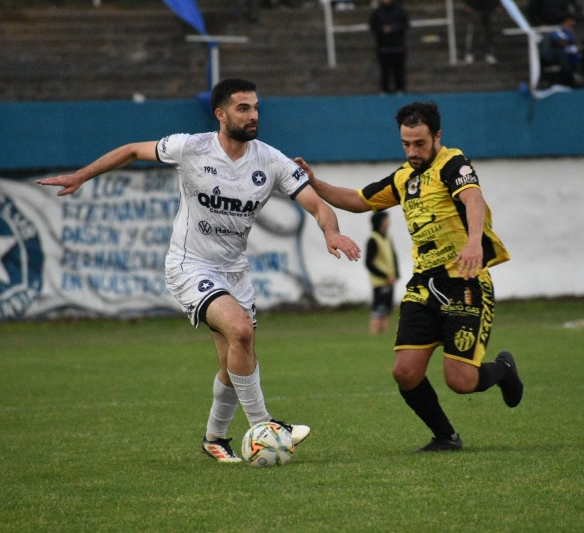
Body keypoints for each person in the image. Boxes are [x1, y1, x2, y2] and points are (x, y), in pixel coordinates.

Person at [38, 78, 362, 463]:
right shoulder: (190, 147)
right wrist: (81, 176)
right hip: (190, 265)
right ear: (221, 114)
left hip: (234, 272)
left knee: (236, 358)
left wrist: (332, 232)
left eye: (256, 107)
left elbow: (317, 204)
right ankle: (266, 425)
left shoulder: (271, 160)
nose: (254, 115)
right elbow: (130, 151)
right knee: (240, 329)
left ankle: (214, 438)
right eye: (243, 108)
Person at [295, 101, 523, 452]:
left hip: (465, 283)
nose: (413, 151)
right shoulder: (404, 178)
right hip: (424, 286)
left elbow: (473, 200)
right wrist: (315, 183)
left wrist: (474, 242)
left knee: (460, 381)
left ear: (437, 136)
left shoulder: (454, 164)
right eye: (406, 144)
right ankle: (445, 437)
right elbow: (358, 200)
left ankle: (504, 370)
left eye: (419, 143)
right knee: (405, 372)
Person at [365, 211, 398, 334]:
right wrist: (384, 275)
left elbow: (393, 257)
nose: (388, 222)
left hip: (390, 279)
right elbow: (369, 263)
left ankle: (383, 335)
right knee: (378, 311)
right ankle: (373, 334)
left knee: (386, 311)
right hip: (380, 281)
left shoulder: (387, 237)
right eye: (385, 220)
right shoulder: (373, 239)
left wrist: (396, 274)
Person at [370, 0, 410, 94]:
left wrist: (393, 28)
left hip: (398, 46)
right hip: (383, 47)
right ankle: (384, 89)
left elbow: (405, 25)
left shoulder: (399, 11)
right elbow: (372, 26)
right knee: (384, 70)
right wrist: (381, 29)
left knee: (399, 70)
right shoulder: (377, 12)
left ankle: (400, 89)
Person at [463, 0, 501, 65]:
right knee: (473, 31)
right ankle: (469, 53)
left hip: (490, 8)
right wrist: (467, 4)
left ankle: (489, 53)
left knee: (490, 32)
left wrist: (497, 4)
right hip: (475, 8)